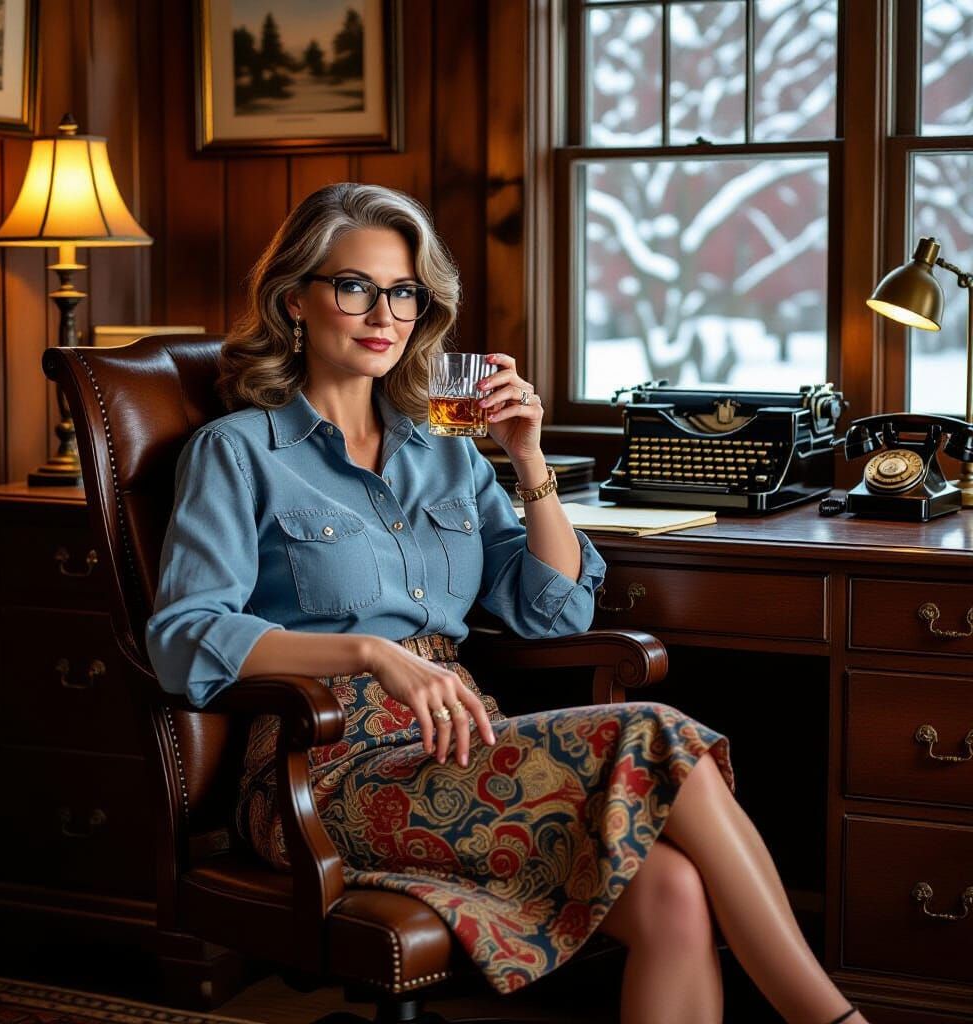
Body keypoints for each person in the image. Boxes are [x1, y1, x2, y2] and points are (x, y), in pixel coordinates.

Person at [145, 182, 866, 1024]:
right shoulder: (237, 452)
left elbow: (552, 612)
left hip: (462, 748)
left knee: (672, 890)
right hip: (324, 769)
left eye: (405, 292)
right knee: (660, 732)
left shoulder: (446, 453)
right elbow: (185, 637)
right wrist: (371, 652)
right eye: (354, 286)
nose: (384, 314)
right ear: (294, 300)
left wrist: (527, 459)